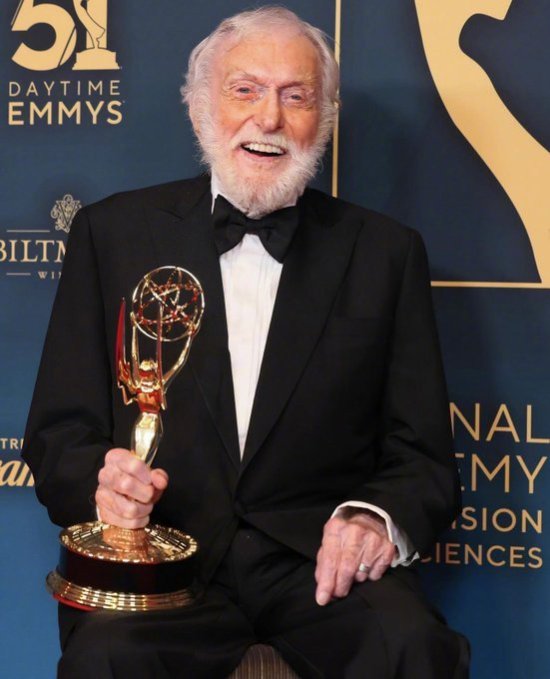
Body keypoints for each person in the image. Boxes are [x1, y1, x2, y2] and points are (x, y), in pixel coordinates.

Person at [23, 6, 469, 678]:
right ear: (198, 106)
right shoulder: (110, 234)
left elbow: (423, 457)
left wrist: (375, 520)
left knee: (413, 645)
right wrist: (102, 486)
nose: (269, 119)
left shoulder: (386, 253)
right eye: (245, 90)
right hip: (162, 563)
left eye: (297, 97)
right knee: (104, 656)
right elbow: (59, 432)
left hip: (320, 569)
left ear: (325, 117)